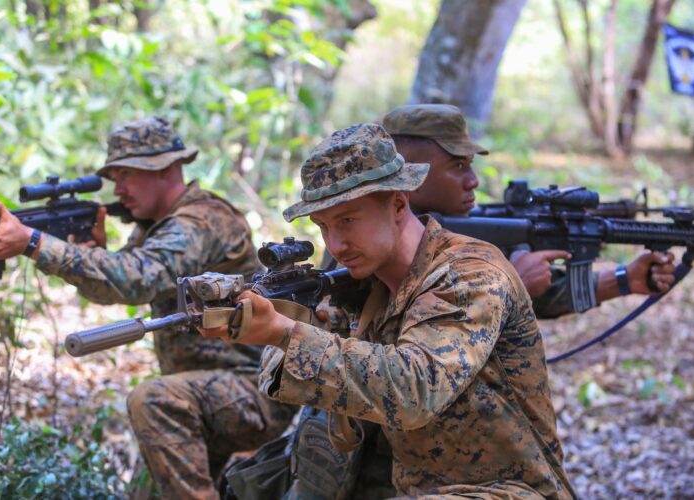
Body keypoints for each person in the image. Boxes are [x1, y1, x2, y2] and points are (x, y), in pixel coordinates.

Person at [202, 123, 576, 498]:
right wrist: (282, 322)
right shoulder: (366, 288)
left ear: (398, 203)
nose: (335, 243)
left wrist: (286, 333)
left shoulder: (470, 275)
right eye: (323, 226)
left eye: (348, 220)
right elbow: (283, 376)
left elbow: (414, 390)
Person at [0, 116, 295, 498]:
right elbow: (118, 288)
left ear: (166, 169)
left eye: (127, 174)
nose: (118, 188)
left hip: (249, 389)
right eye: (113, 176)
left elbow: (136, 277)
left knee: (152, 401)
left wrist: (34, 242)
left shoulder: (201, 221)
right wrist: (86, 256)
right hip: (199, 393)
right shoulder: (157, 224)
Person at [382, 103, 676, 319]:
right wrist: (512, 284)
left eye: (470, 165)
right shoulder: (376, 245)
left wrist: (626, 278)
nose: (473, 181)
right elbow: (422, 342)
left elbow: (542, 296)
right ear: (411, 177)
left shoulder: (460, 232)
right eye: (457, 166)